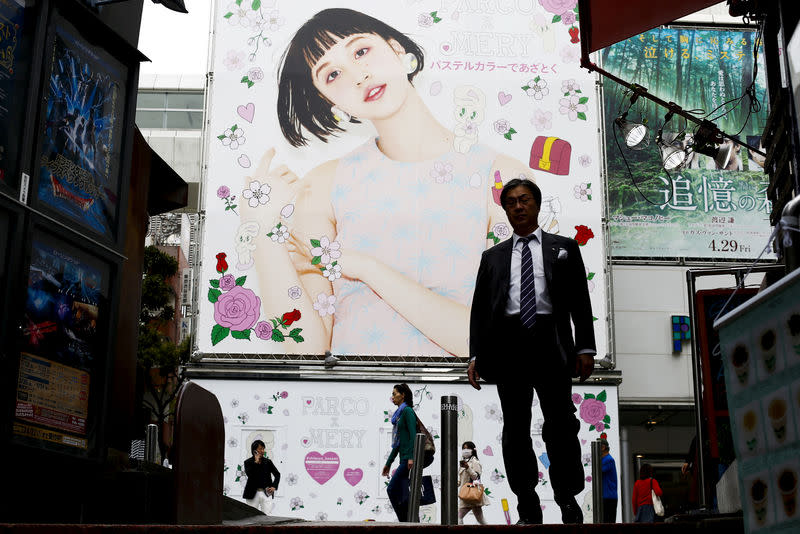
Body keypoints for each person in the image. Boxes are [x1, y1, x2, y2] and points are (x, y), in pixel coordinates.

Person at [240, 8, 529, 357]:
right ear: (328, 101)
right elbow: (308, 350)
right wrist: (262, 231)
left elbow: (496, 341)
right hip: (352, 404)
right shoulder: (325, 186)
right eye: (332, 75)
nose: (358, 76)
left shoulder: (499, 176)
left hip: (465, 401)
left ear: (395, 48)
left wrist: (365, 268)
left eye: (361, 51)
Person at [468, 178, 596, 524]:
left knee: (560, 424)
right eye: (510, 202)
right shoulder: (492, 257)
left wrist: (585, 347)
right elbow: (480, 309)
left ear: (537, 205)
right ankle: (527, 502)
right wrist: (475, 355)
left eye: (524, 200)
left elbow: (580, 303)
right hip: (508, 345)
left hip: (550, 341)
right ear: (505, 209)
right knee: (515, 428)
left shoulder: (564, 248)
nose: (518, 207)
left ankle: (567, 497)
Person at [382, 383, 417, 522]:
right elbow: (398, 443)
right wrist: (388, 463)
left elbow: (413, 436)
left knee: (391, 489)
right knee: (404, 496)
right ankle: (412, 522)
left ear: (403, 395)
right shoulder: (399, 415)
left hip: (407, 459)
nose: (392, 397)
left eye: (395, 393)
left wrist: (411, 457)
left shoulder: (407, 411)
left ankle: (404, 522)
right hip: (403, 458)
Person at [242, 439, 281, 514]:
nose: (263, 451)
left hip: (266, 493)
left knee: (267, 516)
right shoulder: (248, 462)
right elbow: (250, 475)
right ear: (254, 451)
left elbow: (277, 474)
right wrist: (256, 462)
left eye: (263, 449)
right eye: (260, 449)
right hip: (252, 493)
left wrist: (274, 486)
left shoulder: (268, 462)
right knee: (251, 516)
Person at [458, 441, 488, 524]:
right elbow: (460, 480)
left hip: (470, 493)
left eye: (467, 448)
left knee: (458, 517)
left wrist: (468, 468)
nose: (465, 450)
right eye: (463, 448)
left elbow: (476, 477)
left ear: (473, 450)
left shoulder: (475, 462)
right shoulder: (463, 463)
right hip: (466, 493)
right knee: (480, 519)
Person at [600, 438, 618, 523]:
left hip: (608, 497)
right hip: (605, 496)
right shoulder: (604, 460)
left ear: (603, 447)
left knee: (608, 522)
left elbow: (598, 471)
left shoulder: (608, 460)